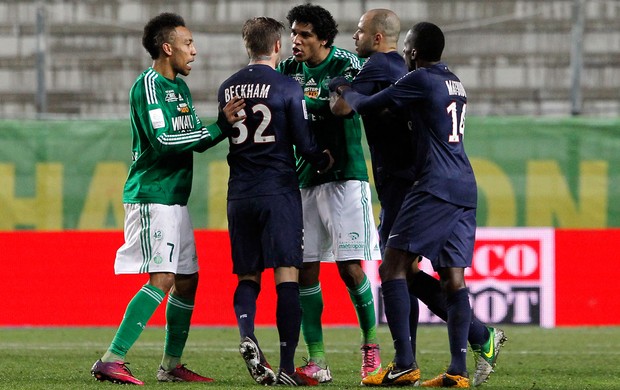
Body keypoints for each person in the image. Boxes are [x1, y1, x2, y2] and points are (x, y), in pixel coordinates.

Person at [331, 10, 507, 387]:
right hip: (464, 184)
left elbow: (357, 106)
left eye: (361, 31)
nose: (355, 36)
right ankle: (464, 362)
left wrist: (341, 86)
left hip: (427, 186)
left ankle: (406, 362)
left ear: (409, 49)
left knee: (393, 268)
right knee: (449, 277)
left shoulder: (415, 77)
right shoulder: (454, 81)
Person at [90, 12, 244, 385]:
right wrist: (218, 126)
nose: (194, 51)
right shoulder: (148, 86)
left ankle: (171, 365)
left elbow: (197, 139)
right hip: (152, 195)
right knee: (162, 277)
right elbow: (164, 142)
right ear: (167, 47)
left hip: (175, 198)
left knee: (187, 279)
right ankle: (112, 358)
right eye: (188, 44)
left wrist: (222, 127)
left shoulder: (180, 89)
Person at [217, 16, 334, 387]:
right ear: (278, 46)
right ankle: (285, 367)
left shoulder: (227, 87)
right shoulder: (286, 87)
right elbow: (303, 142)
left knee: (248, 274)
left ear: (247, 45)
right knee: (287, 273)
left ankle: (247, 333)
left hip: (240, 192)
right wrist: (324, 158)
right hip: (279, 190)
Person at [277, 3, 382, 382]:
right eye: (293, 33)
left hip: (345, 177)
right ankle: (317, 361)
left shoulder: (347, 65)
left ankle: (371, 346)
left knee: (349, 267)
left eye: (304, 34)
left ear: (322, 39)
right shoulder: (287, 69)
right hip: (304, 180)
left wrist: (302, 103)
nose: (295, 41)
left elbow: (345, 108)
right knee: (306, 269)